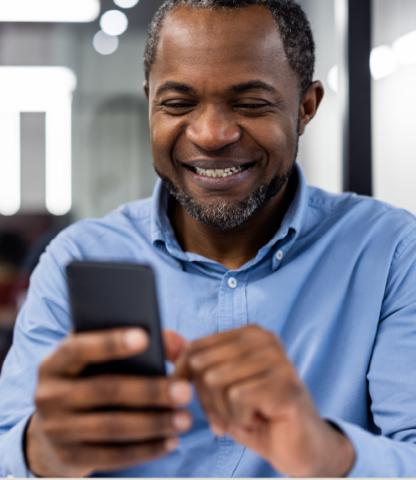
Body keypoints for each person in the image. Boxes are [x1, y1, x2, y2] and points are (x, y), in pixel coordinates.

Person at [0, 0, 415, 476]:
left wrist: (327, 452)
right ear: (149, 102)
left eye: (251, 103)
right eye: (178, 104)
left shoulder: (390, 252)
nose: (212, 134)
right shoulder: (77, 258)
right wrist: (42, 450)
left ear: (306, 107)